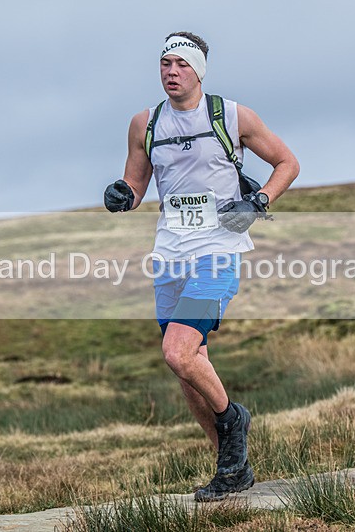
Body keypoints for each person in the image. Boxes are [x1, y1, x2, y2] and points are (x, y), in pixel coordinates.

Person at [103, 31, 299, 501]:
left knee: (179, 352)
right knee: (190, 364)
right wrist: (121, 195)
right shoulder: (144, 123)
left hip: (218, 247)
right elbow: (136, 182)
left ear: (199, 71)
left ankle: (234, 420)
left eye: (181, 65)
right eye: (164, 63)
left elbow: (287, 163)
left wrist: (259, 200)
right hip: (170, 251)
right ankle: (233, 471)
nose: (171, 72)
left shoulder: (232, 116)